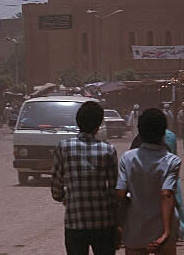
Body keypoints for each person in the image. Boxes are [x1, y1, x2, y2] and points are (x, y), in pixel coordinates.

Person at [51, 101, 118, 255]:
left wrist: (64, 197)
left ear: (78, 121)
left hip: (75, 223)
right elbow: (113, 190)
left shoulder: (63, 147)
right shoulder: (108, 150)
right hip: (103, 223)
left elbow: (56, 187)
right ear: (98, 125)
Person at [117, 109, 181, 254]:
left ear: (139, 131)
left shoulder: (127, 158)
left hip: (135, 225)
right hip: (164, 224)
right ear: (164, 132)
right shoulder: (172, 160)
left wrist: (117, 224)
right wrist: (165, 233)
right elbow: (166, 195)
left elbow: (120, 193)